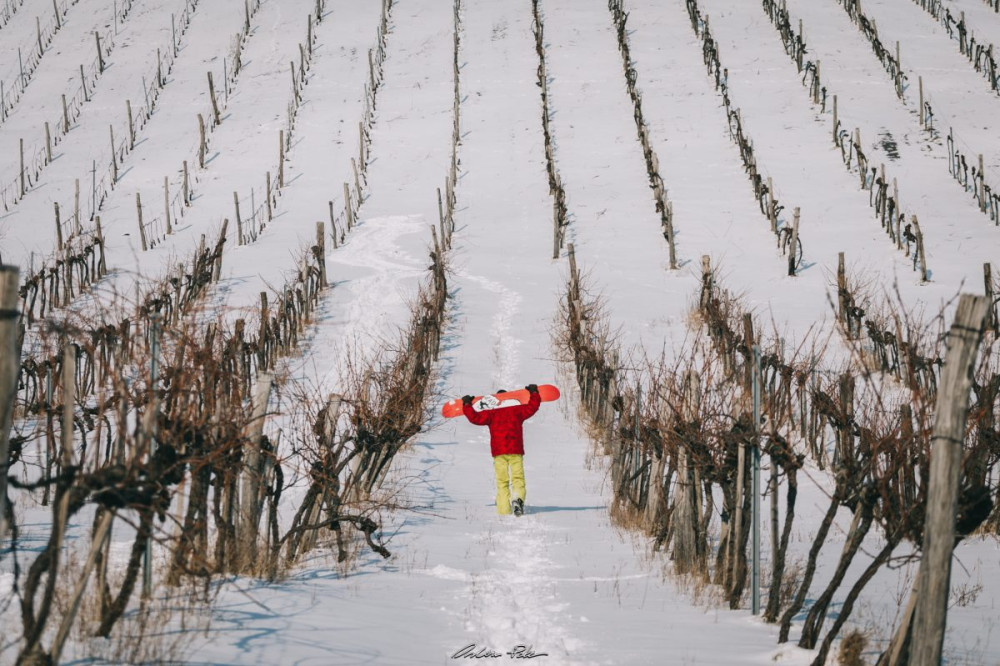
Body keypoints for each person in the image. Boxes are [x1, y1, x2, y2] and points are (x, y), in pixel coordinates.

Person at [462, 384, 541, 516]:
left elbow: (474, 418)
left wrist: (466, 404)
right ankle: (518, 499)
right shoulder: (517, 410)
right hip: (515, 450)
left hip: (499, 453)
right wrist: (534, 393)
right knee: (518, 478)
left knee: (502, 481)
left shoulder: (491, 413)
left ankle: (504, 511)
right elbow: (532, 407)